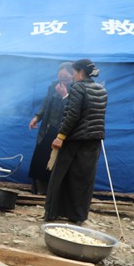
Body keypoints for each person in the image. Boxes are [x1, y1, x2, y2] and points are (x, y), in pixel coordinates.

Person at [44, 59, 107, 224]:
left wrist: (60, 137)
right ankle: (78, 216)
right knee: (84, 179)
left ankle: (52, 213)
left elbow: (72, 115)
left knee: (60, 175)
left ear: (81, 72)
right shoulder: (101, 89)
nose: (72, 75)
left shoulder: (78, 88)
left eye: (73, 72)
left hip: (74, 139)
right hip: (93, 140)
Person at [27, 62, 74, 194]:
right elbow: (46, 104)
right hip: (48, 128)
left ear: (73, 75)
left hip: (62, 131)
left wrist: (64, 95)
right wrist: (37, 117)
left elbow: (72, 111)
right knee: (40, 158)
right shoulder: (53, 87)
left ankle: (50, 191)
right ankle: (37, 189)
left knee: (54, 161)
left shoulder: (76, 89)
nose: (63, 77)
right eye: (61, 74)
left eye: (66, 75)